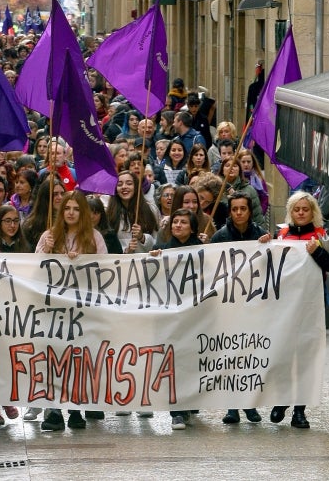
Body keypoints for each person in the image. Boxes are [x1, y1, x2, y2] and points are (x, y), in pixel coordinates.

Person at [270, 191, 329, 430]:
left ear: (313, 211)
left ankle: (299, 411)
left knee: (305, 358)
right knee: (282, 355)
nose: (301, 213)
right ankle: (281, 401)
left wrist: (318, 252)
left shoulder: (323, 236)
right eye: (296, 209)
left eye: (305, 209)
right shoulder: (280, 235)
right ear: (290, 212)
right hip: (283, 306)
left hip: (311, 307)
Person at [36, 191, 107, 431]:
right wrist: (45, 250)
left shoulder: (94, 237)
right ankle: (53, 410)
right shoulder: (49, 235)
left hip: (82, 310)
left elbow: (106, 270)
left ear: (83, 213)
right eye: (67, 208)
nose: (71, 213)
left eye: (76, 209)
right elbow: (33, 269)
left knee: (78, 359)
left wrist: (82, 260)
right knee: (54, 359)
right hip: (53, 309)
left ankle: (76, 409)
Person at [211, 193, 270, 425]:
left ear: (249, 210)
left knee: (250, 358)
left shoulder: (260, 235)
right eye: (234, 209)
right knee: (230, 358)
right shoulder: (220, 237)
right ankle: (232, 407)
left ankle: (250, 405)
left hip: (254, 306)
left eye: (242, 209)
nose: (238, 213)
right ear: (230, 212)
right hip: (229, 306)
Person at [150, 207, 202, 430]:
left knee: (191, 362)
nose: (178, 225)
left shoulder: (203, 251)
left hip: (196, 316)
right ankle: (177, 412)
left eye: (183, 222)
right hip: (170, 316)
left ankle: (189, 404)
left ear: (192, 228)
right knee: (174, 362)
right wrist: (151, 259)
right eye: (175, 222)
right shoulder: (161, 250)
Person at [106, 171, 157, 253]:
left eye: (129, 183)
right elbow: (108, 245)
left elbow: (157, 240)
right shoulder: (109, 213)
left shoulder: (151, 209)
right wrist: (126, 251)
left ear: (136, 187)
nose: (124, 187)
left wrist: (142, 238)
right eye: (119, 184)